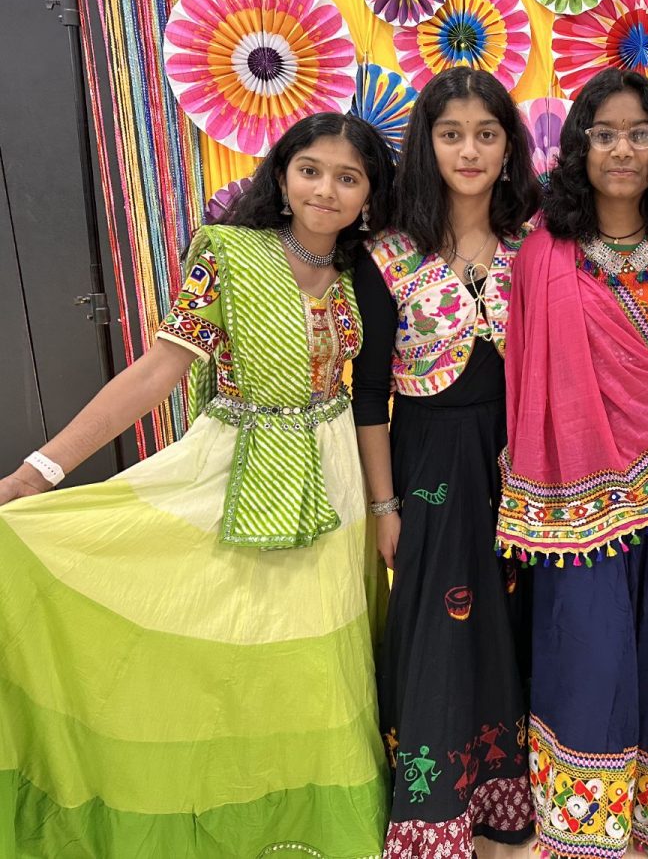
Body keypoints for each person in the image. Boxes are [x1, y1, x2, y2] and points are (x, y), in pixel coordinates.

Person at [0, 112, 398, 857]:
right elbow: (159, 370)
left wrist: (384, 504)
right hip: (235, 475)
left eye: (349, 177)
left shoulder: (363, 275)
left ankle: (319, 832)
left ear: (369, 193)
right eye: (311, 169)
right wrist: (39, 470)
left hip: (335, 486)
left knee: (317, 666)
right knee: (230, 655)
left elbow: (370, 392)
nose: (326, 189)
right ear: (281, 174)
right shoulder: (227, 255)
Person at [497, 68, 648, 859]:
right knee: (584, 647)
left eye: (639, 132)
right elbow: (523, 367)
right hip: (571, 490)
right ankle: (581, 824)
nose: (623, 149)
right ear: (580, 147)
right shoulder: (540, 250)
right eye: (605, 132)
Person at [351, 66, 541, 858]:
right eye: (452, 133)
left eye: (487, 133)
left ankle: (508, 796)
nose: (470, 150)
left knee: (517, 624)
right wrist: (384, 506)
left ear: (509, 145)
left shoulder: (539, 242)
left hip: (524, 460)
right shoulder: (388, 252)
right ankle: (432, 817)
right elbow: (367, 399)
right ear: (427, 143)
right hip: (425, 462)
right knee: (436, 631)